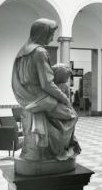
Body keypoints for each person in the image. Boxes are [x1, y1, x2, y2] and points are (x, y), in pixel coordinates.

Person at [12, 18, 80, 167]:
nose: (52, 38)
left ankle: (54, 148)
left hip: (26, 97)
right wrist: (65, 99)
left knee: (65, 114)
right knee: (72, 116)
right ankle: (58, 150)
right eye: (51, 34)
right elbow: (47, 83)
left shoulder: (22, 52)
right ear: (43, 33)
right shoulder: (39, 52)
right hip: (42, 98)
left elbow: (17, 80)